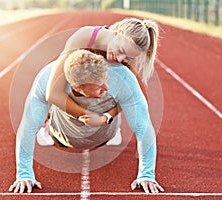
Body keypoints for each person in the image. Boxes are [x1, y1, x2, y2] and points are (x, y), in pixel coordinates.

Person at [9, 50, 164, 194]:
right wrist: (24, 174)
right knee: (45, 115)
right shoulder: (47, 78)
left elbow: (143, 127)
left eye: (106, 80)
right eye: (99, 87)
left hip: (106, 132)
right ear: (76, 87)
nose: (107, 86)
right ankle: (48, 123)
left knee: (122, 99)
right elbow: (27, 128)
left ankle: (111, 125)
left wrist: (147, 174)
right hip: (63, 135)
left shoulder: (121, 76)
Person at [45, 17, 159, 126]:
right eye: (121, 50)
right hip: (76, 90)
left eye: (127, 58)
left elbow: (126, 96)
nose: (120, 59)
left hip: (102, 103)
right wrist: (86, 115)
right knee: (63, 75)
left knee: (117, 85)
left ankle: (111, 126)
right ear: (116, 33)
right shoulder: (83, 37)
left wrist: (105, 118)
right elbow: (52, 93)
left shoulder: (130, 56)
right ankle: (51, 117)